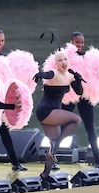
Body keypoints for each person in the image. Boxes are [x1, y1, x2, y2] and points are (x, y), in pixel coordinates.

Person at [34, 50, 83, 180]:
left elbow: (79, 92)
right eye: (60, 60)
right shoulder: (54, 73)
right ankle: (57, 142)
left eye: (65, 59)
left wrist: (78, 80)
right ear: (56, 63)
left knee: (52, 146)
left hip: (53, 112)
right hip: (46, 111)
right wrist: (40, 74)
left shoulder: (70, 76)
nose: (63, 62)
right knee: (76, 120)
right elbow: (46, 75)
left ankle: (45, 175)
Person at [0, 29, 28, 171]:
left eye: (2, 40)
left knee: (4, 131)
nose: (0, 43)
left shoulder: (6, 58)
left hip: (1, 99)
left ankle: (15, 162)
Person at [62, 31, 99, 167]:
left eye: (81, 43)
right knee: (60, 126)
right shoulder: (64, 57)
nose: (79, 45)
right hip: (70, 95)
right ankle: (51, 158)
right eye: (77, 42)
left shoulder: (87, 58)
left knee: (90, 127)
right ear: (71, 42)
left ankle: (98, 160)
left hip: (84, 97)